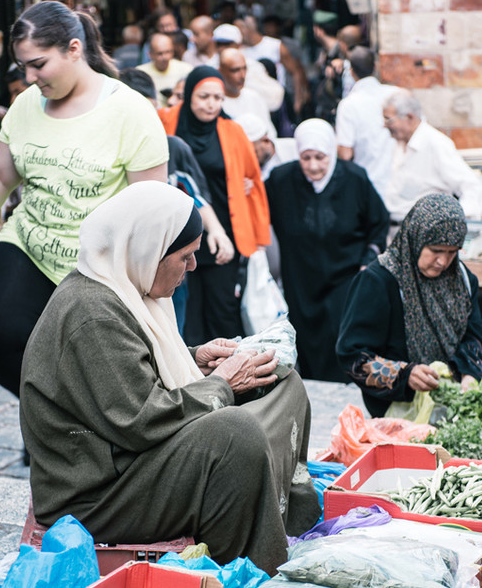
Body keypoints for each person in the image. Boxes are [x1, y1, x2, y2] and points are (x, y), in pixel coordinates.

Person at [20, 182, 321, 576]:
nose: (193, 267)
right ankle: (249, 569)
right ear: (148, 252)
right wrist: (222, 384)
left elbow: (133, 373)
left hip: (130, 459)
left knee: (281, 384)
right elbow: (141, 421)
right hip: (97, 493)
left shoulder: (123, 288)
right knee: (234, 434)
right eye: (185, 256)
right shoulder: (93, 313)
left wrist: (195, 360)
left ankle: (280, 519)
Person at [0, 0, 168, 398]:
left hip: (96, 265)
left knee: (95, 370)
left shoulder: (131, 111)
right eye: (23, 66)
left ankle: (73, 419)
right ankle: (52, 413)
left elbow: (151, 212)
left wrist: (145, 290)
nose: (29, 77)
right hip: (29, 242)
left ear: (74, 49)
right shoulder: (26, 104)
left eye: (38, 64)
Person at [336, 193, 482, 419]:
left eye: (452, 252)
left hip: (455, 380)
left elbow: (473, 338)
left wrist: (469, 373)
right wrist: (406, 374)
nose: (443, 261)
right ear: (415, 239)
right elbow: (352, 355)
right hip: (402, 401)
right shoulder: (379, 281)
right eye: (436, 250)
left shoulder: (462, 280)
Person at [265, 118, 389, 383]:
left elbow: (378, 222)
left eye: (320, 157)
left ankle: (343, 389)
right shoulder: (281, 180)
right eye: (306, 157)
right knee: (306, 339)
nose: (313, 166)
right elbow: (257, 210)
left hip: (344, 276)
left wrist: (368, 259)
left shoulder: (354, 178)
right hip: (301, 279)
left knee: (340, 336)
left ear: (331, 153)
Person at [159, 66, 270, 345]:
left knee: (222, 309)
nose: (211, 104)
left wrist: (258, 238)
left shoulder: (232, 131)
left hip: (222, 232)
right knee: (185, 312)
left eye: (218, 98)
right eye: (204, 97)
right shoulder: (166, 121)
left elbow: (253, 178)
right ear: (189, 95)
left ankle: (227, 364)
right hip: (177, 235)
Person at [119, 67, 234, 333]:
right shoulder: (109, 151)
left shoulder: (173, 146)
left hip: (168, 259)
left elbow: (194, 195)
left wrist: (217, 231)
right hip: (124, 263)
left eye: (150, 112)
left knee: (171, 329)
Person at [382, 89, 482, 224]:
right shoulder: (397, 144)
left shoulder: (435, 143)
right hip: (395, 226)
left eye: (389, 120)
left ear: (409, 117)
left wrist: (454, 221)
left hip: (423, 229)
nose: (384, 126)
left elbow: (472, 187)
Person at [335, 46, 397, 199]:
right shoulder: (396, 94)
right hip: (399, 183)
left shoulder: (348, 105)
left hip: (369, 185)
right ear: (375, 66)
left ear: (351, 72)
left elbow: (345, 153)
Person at [218, 47, 272, 125]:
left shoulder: (255, 98)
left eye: (244, 68)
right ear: (221, 71)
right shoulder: (216, 102)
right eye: (235, 70)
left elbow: (268, 129)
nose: (242, 76)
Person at [137, 32, 190, 106]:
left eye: (168, 52)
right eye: (160, 53)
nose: (165, 57)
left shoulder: (186, 69)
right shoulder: (140, 73)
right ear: (150, 54)